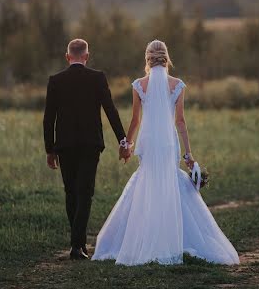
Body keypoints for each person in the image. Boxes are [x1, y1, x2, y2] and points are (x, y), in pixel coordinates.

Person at [92, 39, 240, 266]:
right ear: (166, 57)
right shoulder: (177, 85)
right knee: (170, 182)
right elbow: (180, 121)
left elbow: (135, 120)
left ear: (148, 59)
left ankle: (144, 240)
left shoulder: (139, 85)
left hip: (149, 143)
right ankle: (174, 239)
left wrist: (126, 145)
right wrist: (189, 155)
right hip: (169, 143)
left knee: (148, 183)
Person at [43, 38, 128, 260]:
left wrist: (49, 150)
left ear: (67, 56)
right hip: (91, 143)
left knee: (71, 192)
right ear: (87, 56)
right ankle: (77, 245)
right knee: (85, 193)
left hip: (65, 145)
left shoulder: (56, 80)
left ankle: (77, 244)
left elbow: (48, 119)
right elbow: (110, 110)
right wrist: (123, 140)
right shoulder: (97, 78)